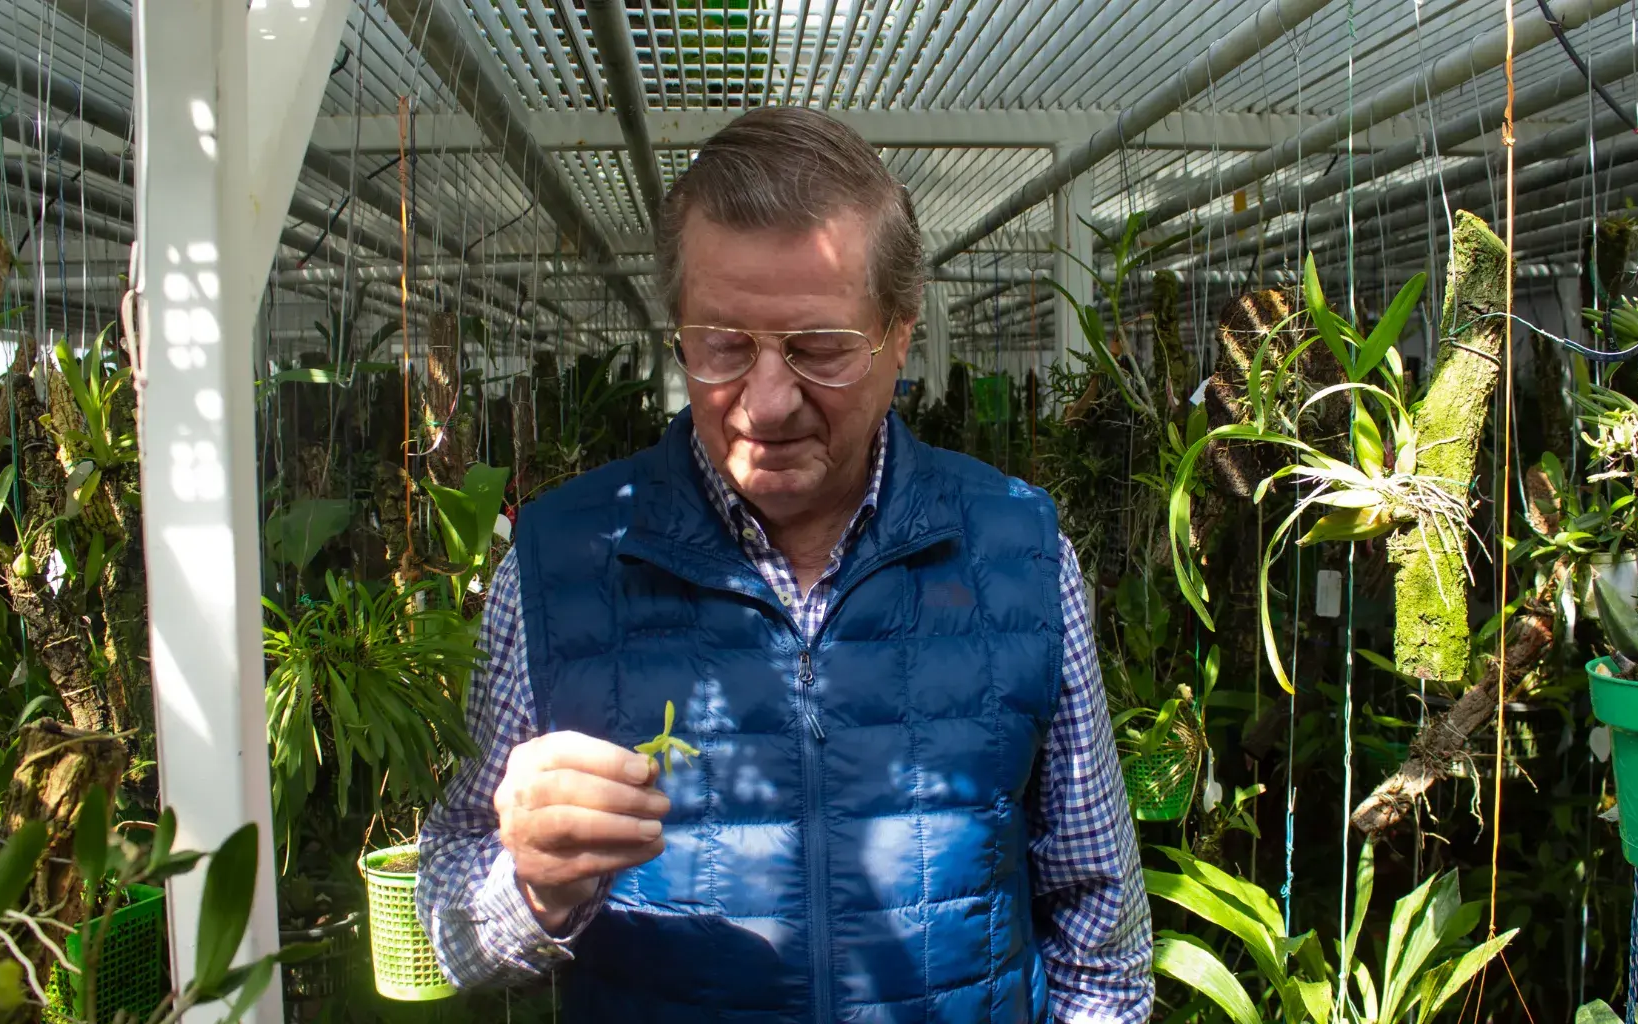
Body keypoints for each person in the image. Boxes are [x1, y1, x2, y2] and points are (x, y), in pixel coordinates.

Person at [417, 106, 1153, 1023]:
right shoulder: (563, 566)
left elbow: (1099, 922)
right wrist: (528, 890)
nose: (766, 403)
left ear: (899, 334)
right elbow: (446, 915)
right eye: (723, 344)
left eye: (820, 349)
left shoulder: (1019, 555)